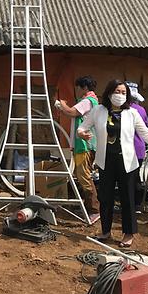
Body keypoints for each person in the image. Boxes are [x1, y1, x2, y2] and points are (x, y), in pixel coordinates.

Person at [78, 80, 148, 248]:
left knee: (127, 198)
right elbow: (83, 127)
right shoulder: (98, 111)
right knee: (106, 197)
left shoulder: (132, 113)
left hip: (127, 161)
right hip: (105, 160)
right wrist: (82, 134)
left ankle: (128, 233)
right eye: (117, 91)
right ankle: (105, 231)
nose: (120, 95)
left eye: (123, 92)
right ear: (109, 93)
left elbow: (144, 132)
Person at [55, 75, 100, 223]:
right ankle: (88, 206)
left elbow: (72, 112)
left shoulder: (87, 101)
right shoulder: (92, 101)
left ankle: (94, 209)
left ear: (84, 87)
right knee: (83, 175)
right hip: (86, 143)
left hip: (85, 144)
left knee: (84, 176)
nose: (78, 90)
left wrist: (61, 104)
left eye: (79, 87)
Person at [126, 81, 148, 207]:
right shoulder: (141, 110)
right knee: (136, 177)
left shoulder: (123, 110)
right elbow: (146, 127)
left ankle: (130, 204)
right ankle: (137, 204)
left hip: (127, 149)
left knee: (127, 178)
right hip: (139, 149)